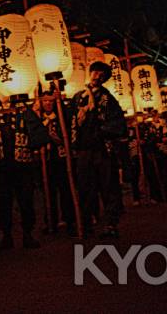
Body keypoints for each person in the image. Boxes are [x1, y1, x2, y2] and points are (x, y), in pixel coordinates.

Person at [68, 60, 126, 238]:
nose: (97, 76)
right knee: (85, 187)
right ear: (90, 72)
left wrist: (100, 132)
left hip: (102, 150)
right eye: (95, 72)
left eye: (102, 75)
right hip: (84, 150)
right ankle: (85, 222)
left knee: (108, 186)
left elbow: (118, 124)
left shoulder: (108, 99)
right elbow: (69, 119)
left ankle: (110, 224)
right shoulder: (78, 97)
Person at [0, 92, 49, 249]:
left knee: (26, 200)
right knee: (4, 201)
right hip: (2, 165)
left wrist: (30, 143)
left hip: (22, 165)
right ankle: (6, 235)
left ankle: (27, 234)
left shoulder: (24, 111)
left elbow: (40, 134)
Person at [35, 87, 76, 235]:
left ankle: (70, 220)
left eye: (50, 100)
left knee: (65, 191)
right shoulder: (38, 118)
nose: (47, 103)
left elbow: (67, 116)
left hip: (61, 158)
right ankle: (50, 222)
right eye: (44, 100)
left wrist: (60, 102)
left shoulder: (60, 116)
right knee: (48, 193)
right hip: (46, 160)